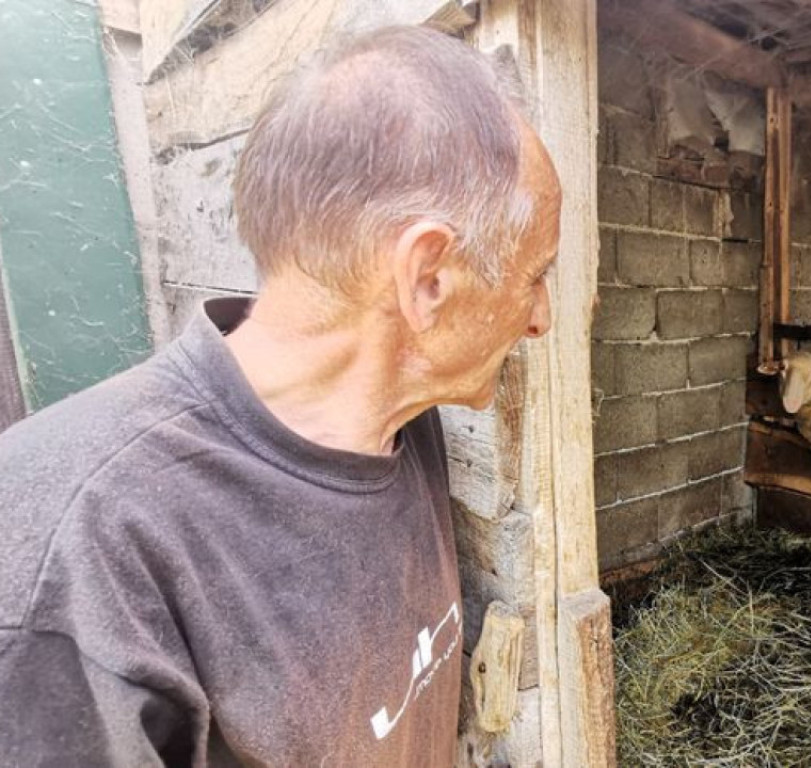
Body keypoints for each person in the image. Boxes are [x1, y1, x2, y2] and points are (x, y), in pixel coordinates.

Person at [0, 25, 560, 767]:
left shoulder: (404, 415)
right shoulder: (66, 564)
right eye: (535, 275)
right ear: (427, 279)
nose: (542, 317)